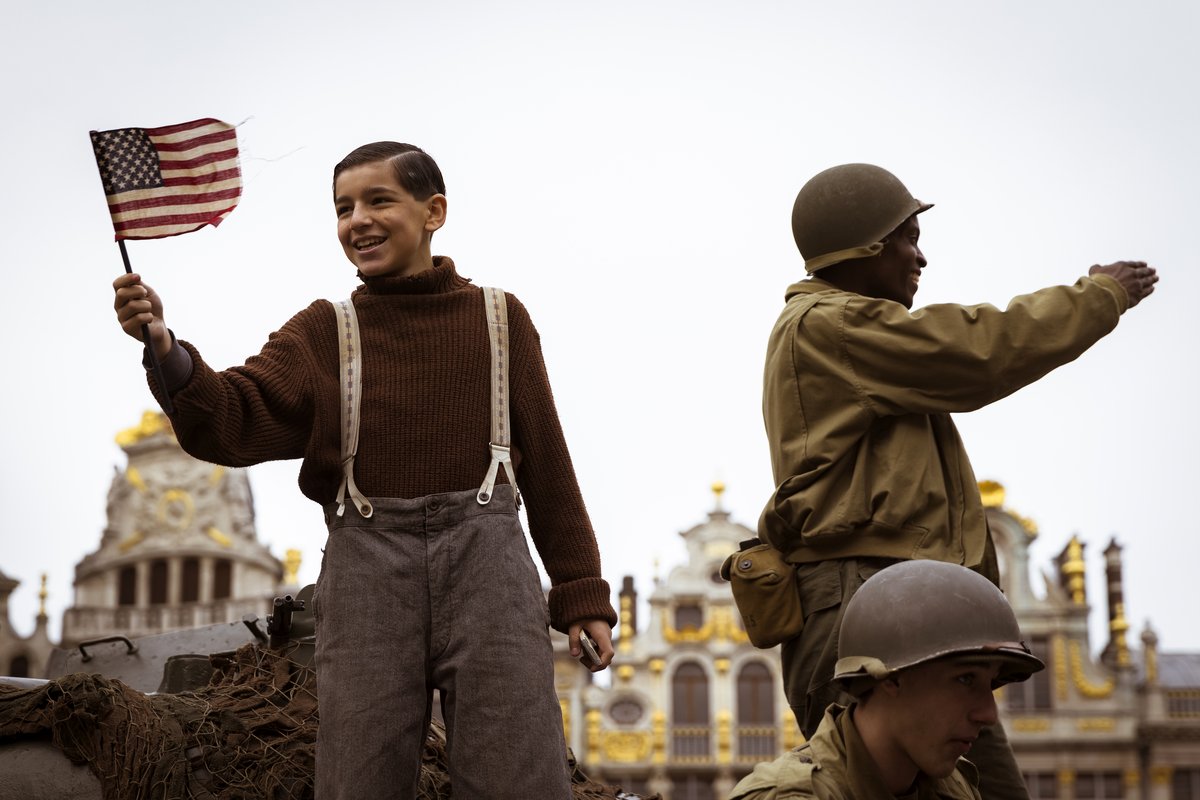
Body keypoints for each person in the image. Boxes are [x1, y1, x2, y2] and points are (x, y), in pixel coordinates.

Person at [113, 142, 617, 799]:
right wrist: (166, 352)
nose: (357, 220)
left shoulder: (499, 320)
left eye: (379, 200)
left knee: (518, 777)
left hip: (490, 577)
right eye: (343, 208)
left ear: (433, 211)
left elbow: (548, 464)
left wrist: (581, 594)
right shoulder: (326, 331)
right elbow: (232, 416)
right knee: (357, 783)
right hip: (367, 582)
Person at [757, 163, 1158, 798]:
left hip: (897, 605)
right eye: (906, 238)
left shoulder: (847, 333)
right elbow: (978, 351)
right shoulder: (831, 326)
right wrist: (1099, 296)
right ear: (864, 246)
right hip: (866, 607)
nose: (921, 256)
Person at [729, 559, 1045, 800]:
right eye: (965, 679)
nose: (988, 714)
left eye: (990, 684)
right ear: (890, 679)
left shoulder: (956, 786)